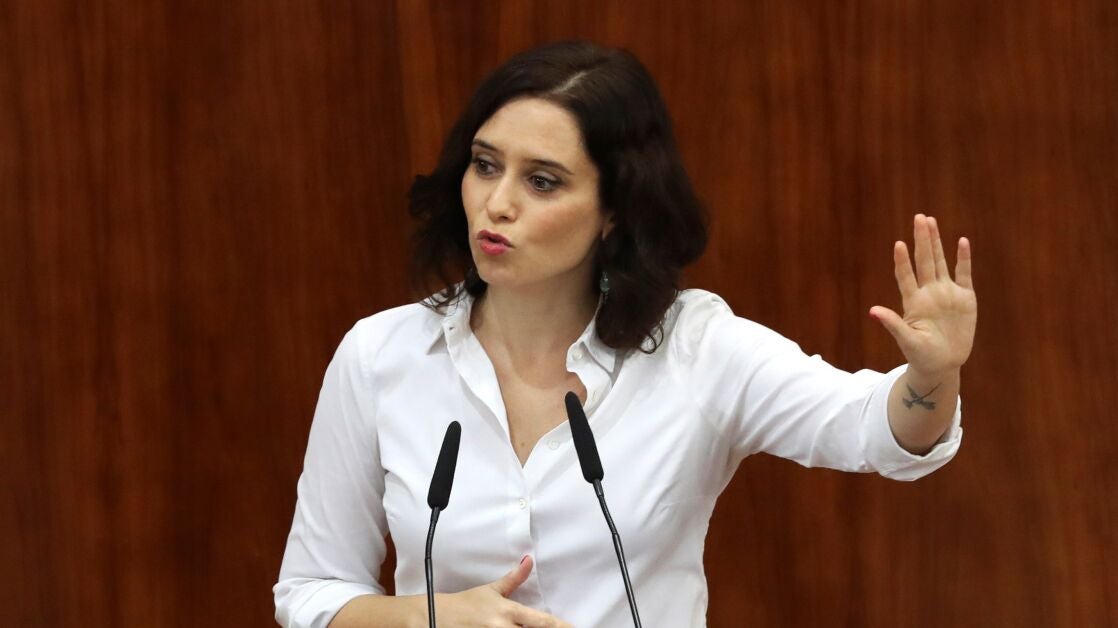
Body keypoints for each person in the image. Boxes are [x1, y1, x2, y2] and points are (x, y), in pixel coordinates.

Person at [273, 40, 977, 628]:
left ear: (614, 210)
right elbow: (309, 592)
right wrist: (429, 617)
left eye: (542, 182)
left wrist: (931, 376)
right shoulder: (381, 355)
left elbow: (874, 431)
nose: (497, 203)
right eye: (485, 166)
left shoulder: (696, 349)